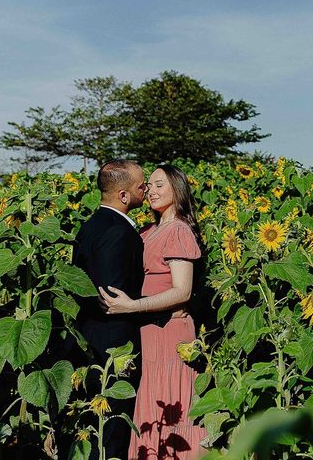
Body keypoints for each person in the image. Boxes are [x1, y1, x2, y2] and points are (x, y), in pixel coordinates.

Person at [99, 164, 207, 460]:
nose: (151, 191)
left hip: (171, 332)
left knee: (171, 405)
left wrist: (132, 306)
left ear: (177, 190)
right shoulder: (147, 231)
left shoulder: (179, 231)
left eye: (160, 185)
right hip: (148, 331)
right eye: (149, 186)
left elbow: (182, 291)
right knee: (151, 405)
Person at [70, 159, 148, 460]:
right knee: (112, 429)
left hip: (90, 336)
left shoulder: (91, 225)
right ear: (124, 195)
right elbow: (112, 296)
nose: (146, 191)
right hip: (113, 344)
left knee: (94, 428)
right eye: (141, 186)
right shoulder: (119, 231)